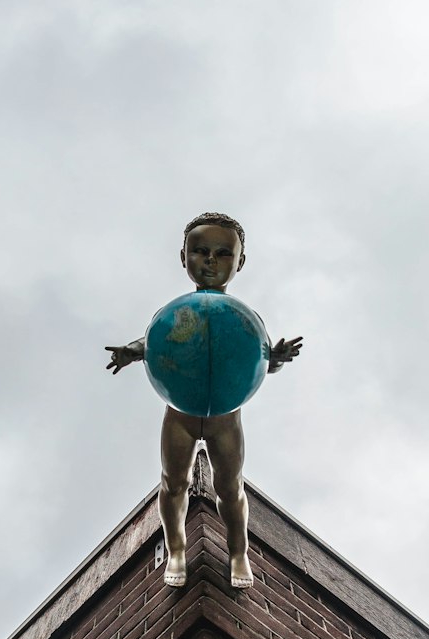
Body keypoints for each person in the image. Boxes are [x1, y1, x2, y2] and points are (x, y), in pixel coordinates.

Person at [106, 213, 302, 590]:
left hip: (226, 418)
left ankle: (238, 551)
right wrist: (132, 352)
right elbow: (155, 342)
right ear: (184, 257)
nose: (210, 261)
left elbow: (258, 362)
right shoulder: (174, 312)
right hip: (179, 413)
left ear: (239, 262)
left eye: (222, 254)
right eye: (200, 251)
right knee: (173, 482)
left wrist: (274, 359)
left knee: (229, 487)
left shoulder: (245, 318)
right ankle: (177, 548)